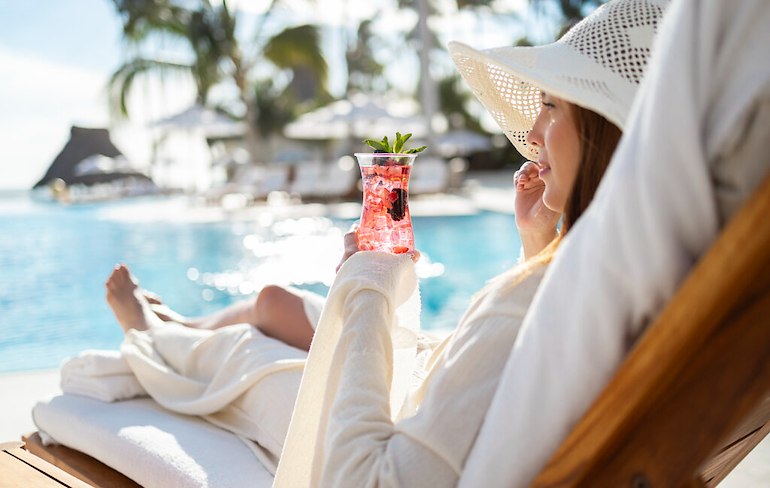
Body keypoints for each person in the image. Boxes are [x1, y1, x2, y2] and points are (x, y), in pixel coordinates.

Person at [272, 1, 670, 486]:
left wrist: (367, 282)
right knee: (259, 327)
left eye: (550, 106)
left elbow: (364, 479)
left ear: (605, 125)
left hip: (398, 434)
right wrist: (537, 242)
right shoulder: (633, 274)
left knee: (258, 340)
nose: (533, 132)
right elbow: (515, 384)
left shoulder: (546, 297)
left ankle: (162, 334)